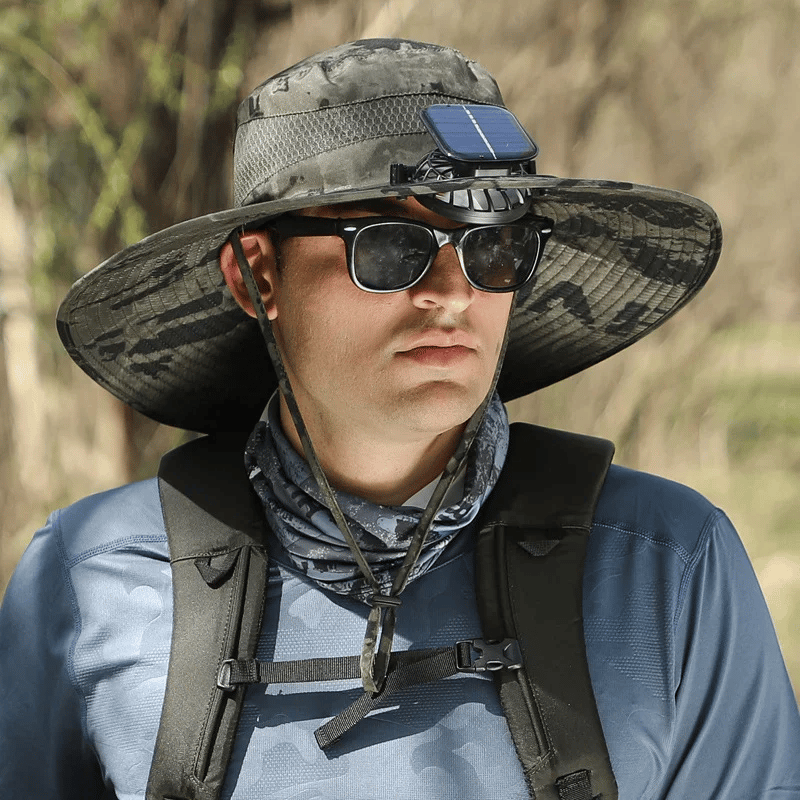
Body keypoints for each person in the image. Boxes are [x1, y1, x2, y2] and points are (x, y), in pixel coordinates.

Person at [1, 38, 798, 800]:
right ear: (255, 274)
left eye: (493, 249)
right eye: (389, 247)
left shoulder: (668, 570)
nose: (454, 293)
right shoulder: (91, 580)